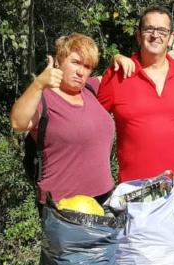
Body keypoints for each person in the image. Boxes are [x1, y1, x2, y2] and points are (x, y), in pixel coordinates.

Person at [9, 33, 132, 205]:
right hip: (63, 206)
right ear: (58, 61)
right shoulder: (44, 97)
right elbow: (17, 123)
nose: (81, 72)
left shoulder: (90, 88)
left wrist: (118, 58)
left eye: (87, 66)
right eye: (75, 62)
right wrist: (38, 84)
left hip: (105, 198)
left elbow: (122, 76)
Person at [97, 7, 174, 183]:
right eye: (149, 29)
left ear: (171, 38)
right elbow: (91, 121)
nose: (155, 35)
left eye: (162, 30)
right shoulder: (117, 75)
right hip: (135, 189)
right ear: (138, 35)